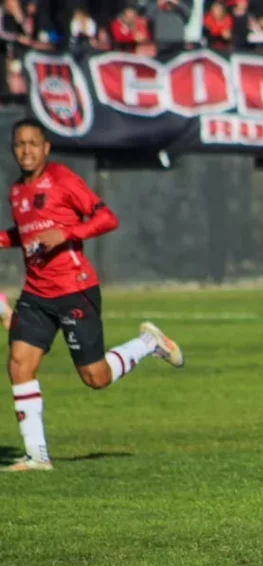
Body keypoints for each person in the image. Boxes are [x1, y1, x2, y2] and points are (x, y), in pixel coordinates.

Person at [0, 119, 185, 473]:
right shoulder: (17, 192)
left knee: (95, 377)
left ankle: (148, 342)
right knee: (19, 364)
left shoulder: (63, 180)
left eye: (33, 144)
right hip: (36, 293)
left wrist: (67, 232)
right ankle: (37, 456)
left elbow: (107, 218)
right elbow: (26, 233)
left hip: (74, 289)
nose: (26, 150)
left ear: (46, 148)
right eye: (20, 144)